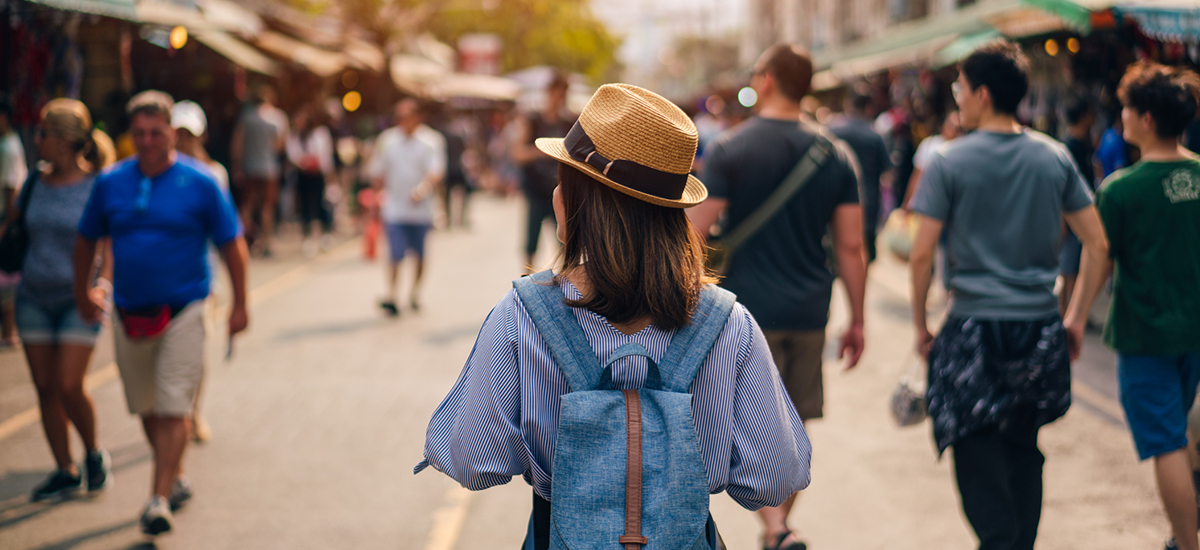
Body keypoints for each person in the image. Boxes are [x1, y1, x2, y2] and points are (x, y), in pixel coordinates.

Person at [417, 82, 811, 550]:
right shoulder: (728, 323)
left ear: (579, 197)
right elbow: (775, 476)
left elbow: (470, 458)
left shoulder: (523, 314)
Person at [908, 42, 1109, 550]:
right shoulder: (1054, 156)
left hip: (974, 323)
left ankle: (1000, 541)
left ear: (981, 93)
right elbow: (1098, 244)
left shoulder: (949, 161)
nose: (956, 95)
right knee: (1023, 441)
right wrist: (1077, 316)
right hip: (1039, 323)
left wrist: (920, 323)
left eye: (958, 86)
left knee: (973, 439)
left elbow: (921, 253)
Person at [688, 44, 867, 550]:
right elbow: (852, 245)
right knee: (794, 424)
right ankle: (780, 526)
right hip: (811, 308)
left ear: (765, 81)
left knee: (746, 425)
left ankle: (773, 527)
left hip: (746, 315)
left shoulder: (731, 148)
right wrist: (858, 319)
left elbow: (694, 232)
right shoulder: (835, 154)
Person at [74, 90, 249, 536]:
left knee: (173, 405)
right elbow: (86, 239)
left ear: (172, 132)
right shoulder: (111, 182)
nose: (148, 141)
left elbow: (233, 245)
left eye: (156, 132)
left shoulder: (202, 181)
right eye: (140, 135)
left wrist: (241, 306)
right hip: (128, 311)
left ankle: (157, 497)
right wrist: (83, 291)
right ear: (130, 137)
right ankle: (176, 475)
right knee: (147, 407)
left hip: (186, 307)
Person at [1083, 61, 1200, 550]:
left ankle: (1185, 543)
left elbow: (1099, 258)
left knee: (1166, 443)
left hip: (1145, 335)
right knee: (1182, 431)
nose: (1121, 117)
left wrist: (1073, 315)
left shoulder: (1120, 190)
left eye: (1127, 108)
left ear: (1147, 118)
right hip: (1194, 333)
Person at [10, 99, 115, 501]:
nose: (36, 139)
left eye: (43, 133)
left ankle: (91, 453)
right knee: (44, 386)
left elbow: (109, 243)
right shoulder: (33, 181)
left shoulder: (97, 185)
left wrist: (102, 284)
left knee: (69, 384)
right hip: (33, 295)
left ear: (67, 140)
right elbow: (15, 227)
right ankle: (64, 469)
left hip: (79, 298)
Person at [170, 99, 226, 443]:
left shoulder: (214, 174)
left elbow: (225, 232)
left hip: (203, 274)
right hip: (167, 275)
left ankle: (195, 411)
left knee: (198, 347)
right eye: (178, 133)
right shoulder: (160, 173)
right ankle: (175, 413)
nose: (184, 139)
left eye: (189, 133)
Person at [366, 99, 444, 316]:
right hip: (395, 208)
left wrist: (423, 189)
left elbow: (436, 171)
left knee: (419, 255)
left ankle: (414, 294)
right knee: (395, 254)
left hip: (421, 210)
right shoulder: (387, 140)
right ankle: (391, 295)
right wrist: (375, 197)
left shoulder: (431, 141)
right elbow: (378, 171)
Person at [510, 71, 576, 271]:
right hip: (535, 190)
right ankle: (526, 279)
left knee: (566, 242)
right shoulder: (533, 120)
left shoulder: (569, 122)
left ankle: (566, 281)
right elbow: (517, 153)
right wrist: (542, 152)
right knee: (531, 243)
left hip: (560, 190)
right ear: (549, 92)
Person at [829, 86, 893, 264]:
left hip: (832, 202)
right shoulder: (874, 135)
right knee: (862, 254)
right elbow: (888, 173)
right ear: (868, 108)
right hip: (866, 203)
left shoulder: (832, 131)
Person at [231, 84, 288, 257]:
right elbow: (280, 145)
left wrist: (237, 166)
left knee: (247, 206)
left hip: (249, 167)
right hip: (269, 168)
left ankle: (239, 242)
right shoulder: (278, 117)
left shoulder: (246, 117)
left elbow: (237, 144)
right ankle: (267, 243)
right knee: (267, 207)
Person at [1058, 97, 1098, 316]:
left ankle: (1073, 310)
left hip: (1083, 211)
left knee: (1076, 264)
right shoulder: (1069, 146)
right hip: (1072, 214)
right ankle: (1068, 311)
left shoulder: (1084, 142)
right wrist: (1063, 219)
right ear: (1084, 117)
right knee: (1069, 267)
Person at [286, 104, 335, 257]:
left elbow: (326, 155)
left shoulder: (320, 134)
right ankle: (307, 238)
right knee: (305, 205)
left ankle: (325, 234)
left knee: (321, 203)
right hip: (302, 175)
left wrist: (327, 173)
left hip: (318, 175)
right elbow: (292, 155)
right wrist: (302, 162)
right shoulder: (294, 136)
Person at [0, 98, 28, 347]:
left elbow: (11, 190)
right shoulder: (10, 142)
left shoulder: (7, 148)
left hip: (3, 216)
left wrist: (5, 225)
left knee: (5, 277)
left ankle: (9, 331)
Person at [902, 111, 961, 208]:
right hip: (924, 201)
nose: (953, 130)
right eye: (951, 125)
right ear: (943, 125)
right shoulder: (929, 144)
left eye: (957, 128)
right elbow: (917, 175)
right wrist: (907, 203)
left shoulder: (961, 150)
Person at [1097, 114, 1128, 178]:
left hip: (1106, 182)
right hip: (1115, 182)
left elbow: (1096, 161)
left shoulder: (1106, 134)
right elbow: (1120, 167)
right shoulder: (1118, 141)